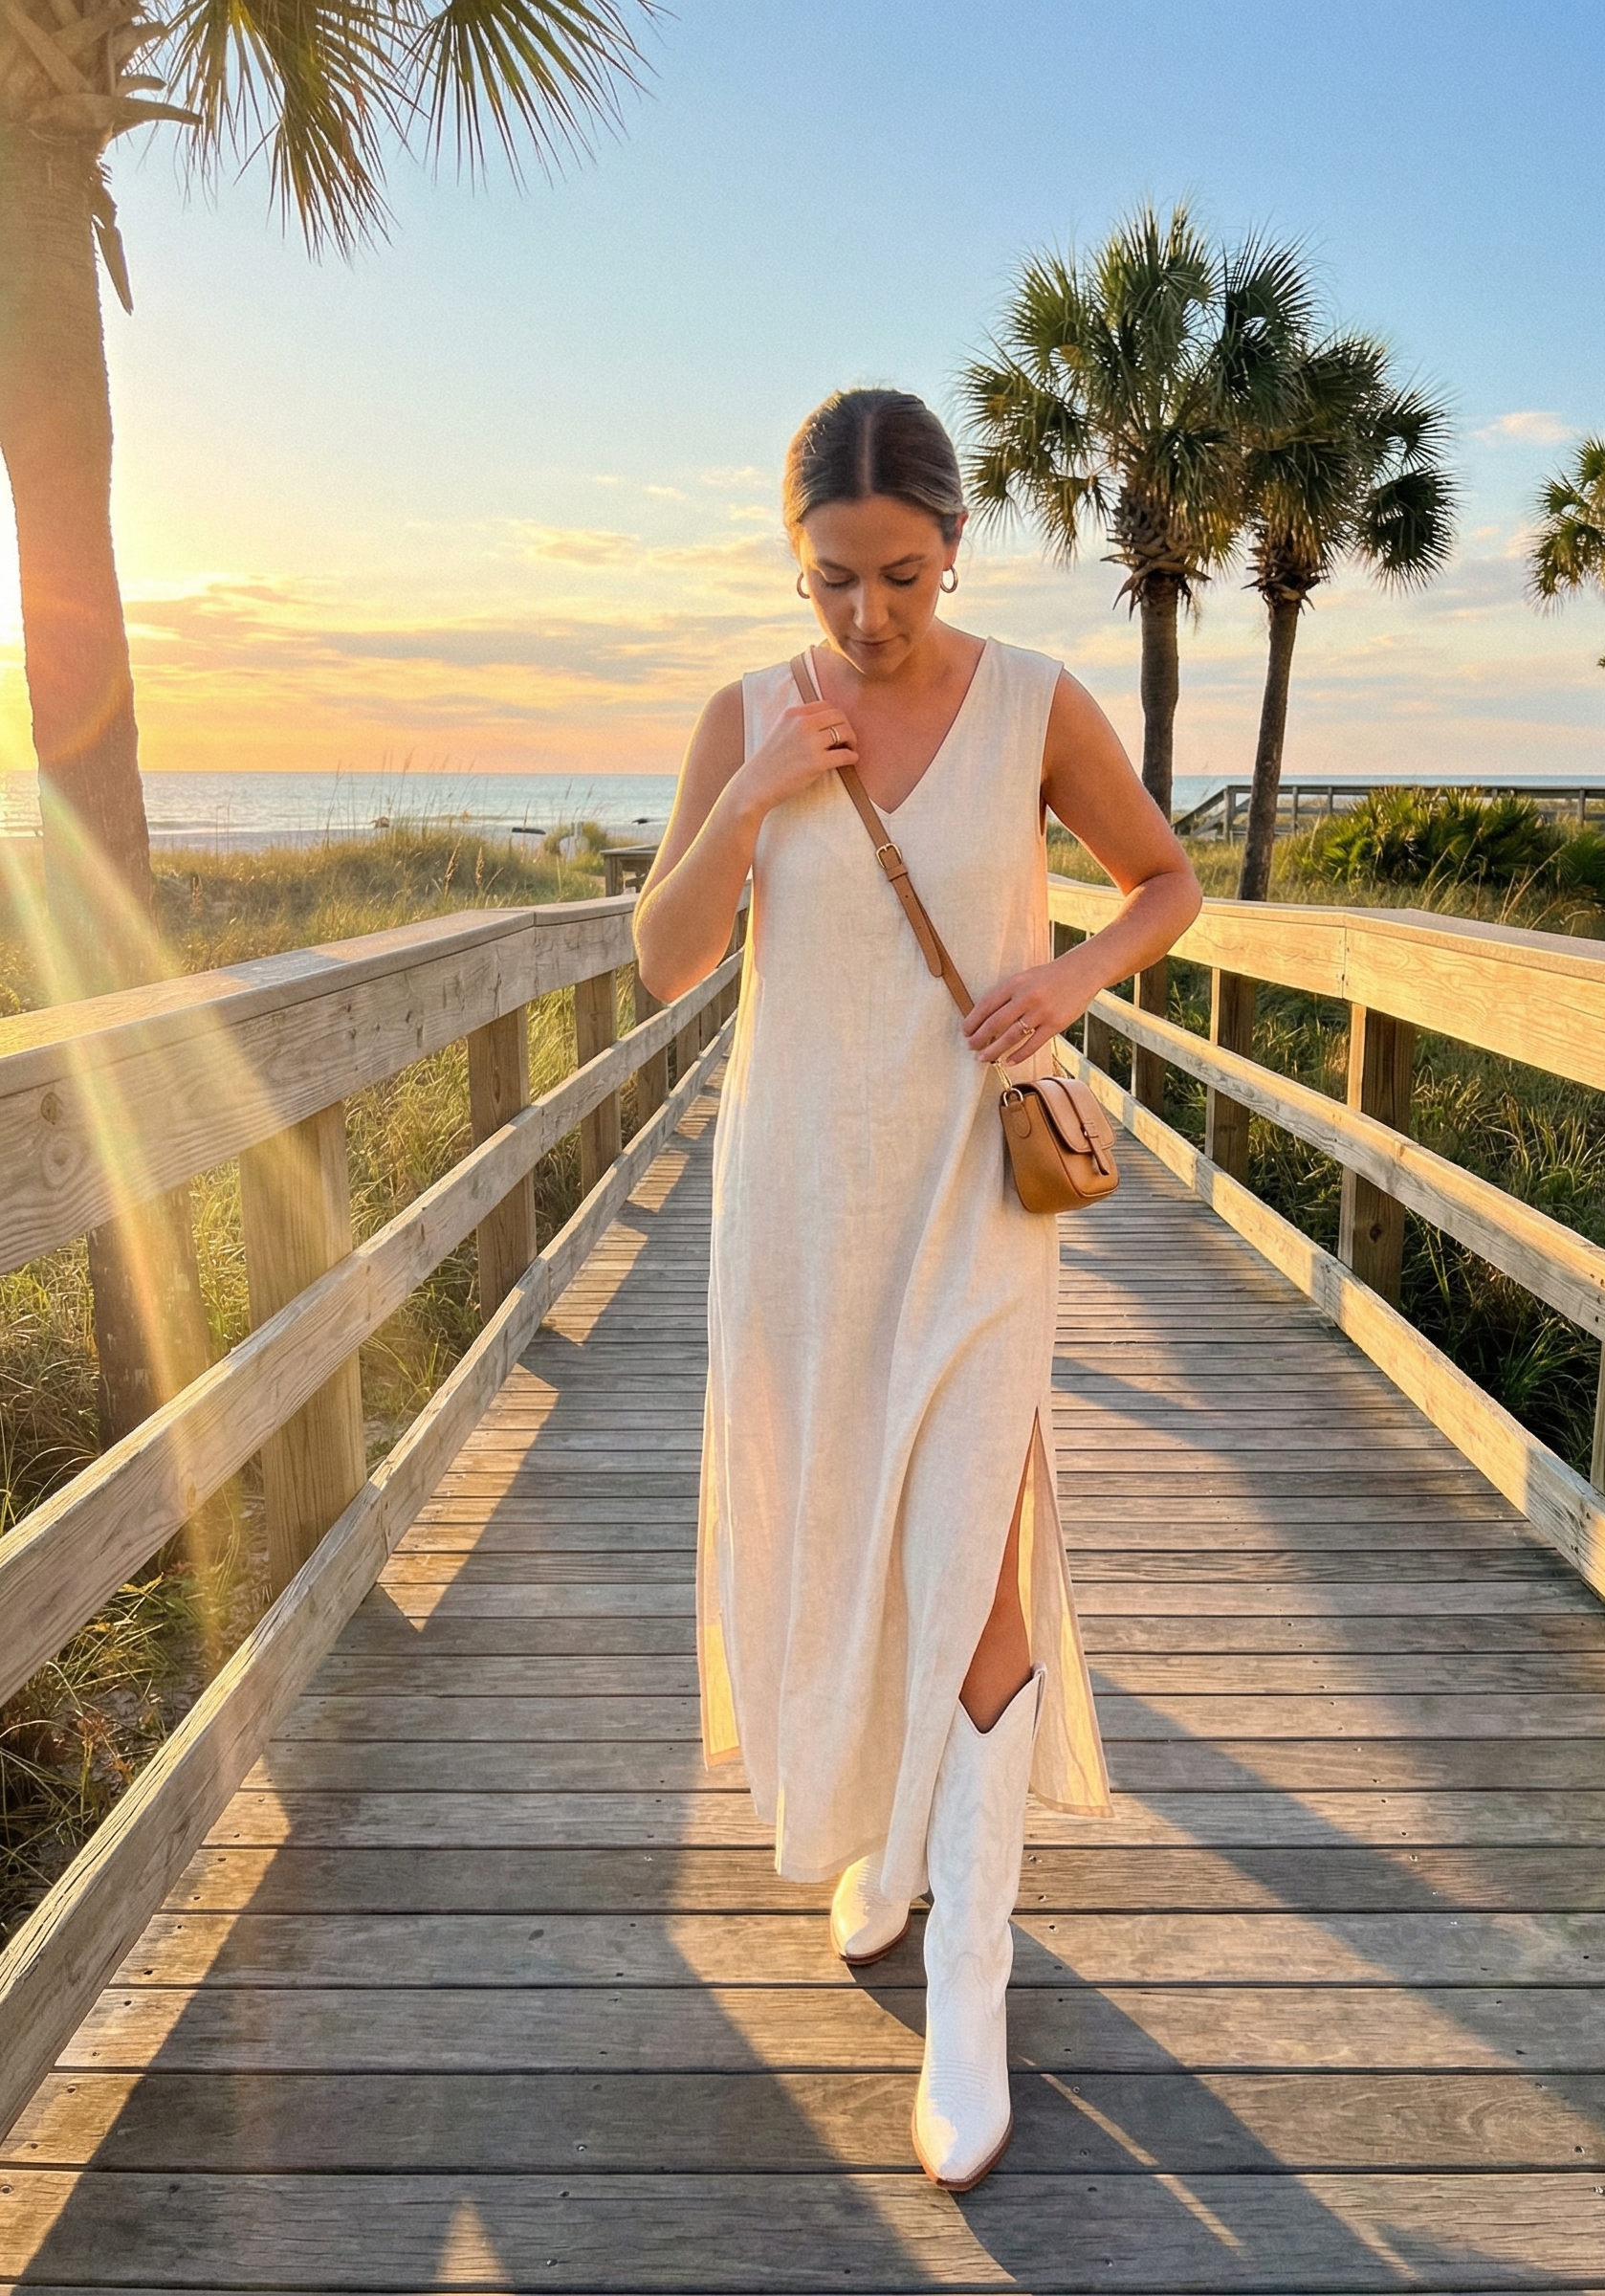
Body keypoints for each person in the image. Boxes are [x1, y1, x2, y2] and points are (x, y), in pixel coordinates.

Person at [634, 387, 1202, 2191]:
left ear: (955, 546)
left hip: (972, 1199)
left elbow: (1165, 881)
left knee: (974, 1545)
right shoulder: (746, 713)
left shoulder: (1033, 701)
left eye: (898, 573)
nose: (867, 613)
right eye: (832, 579)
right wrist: (753, 791)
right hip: (800, 1209)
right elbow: (661, 964)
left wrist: (1071, 981)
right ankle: (887, 1844)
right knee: (835, 1534)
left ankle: (974, 1971)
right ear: (791, 562)